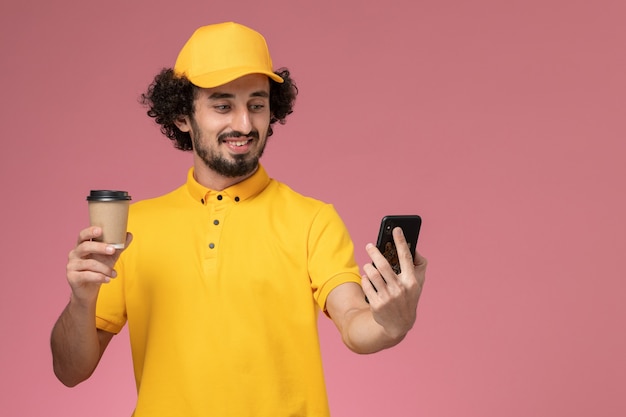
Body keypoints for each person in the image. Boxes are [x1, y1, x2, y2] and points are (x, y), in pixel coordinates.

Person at [50, 21, 427, 416]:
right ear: (182, 115)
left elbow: (353, 321)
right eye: (223, 105)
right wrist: (82, 298)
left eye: (257, 104)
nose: (244, 125)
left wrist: (390, 323)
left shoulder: (313, 220)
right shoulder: (134, 229)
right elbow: (70, 370)